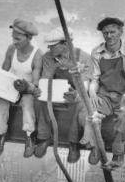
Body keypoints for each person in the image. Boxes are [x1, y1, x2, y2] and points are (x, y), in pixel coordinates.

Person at [77, 17, 125, 166]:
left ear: (120, 32)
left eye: (112, 32)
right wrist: (93, 94)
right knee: (88, 110)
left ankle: (118, 153)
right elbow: (94, 78)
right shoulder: (97, 52)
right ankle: (95, 146)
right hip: (105, 95)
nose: (109, 36)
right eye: (105, 33)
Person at [34, 28, 92, 161]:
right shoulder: (48, 57)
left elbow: (85, 85)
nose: (49, 47)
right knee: (40, 100)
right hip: (55, 91)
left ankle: (73, 143)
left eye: (53, 45)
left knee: (79, 104)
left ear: (65, 44)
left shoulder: (83, 57)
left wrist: (76, 93)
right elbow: (45, 79)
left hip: (75, 92)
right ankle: (44, 137)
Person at [0, 18, 43, 157]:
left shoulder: (37, 54)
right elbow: (4, 70)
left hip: (26, 89)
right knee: (0, 101)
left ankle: (29, 136)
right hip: (11, 86)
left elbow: (36, 80)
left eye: (18, 39)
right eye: (13, 38)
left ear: (29, 38)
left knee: (27, 104)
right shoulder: (11, 49)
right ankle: (0, 134)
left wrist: (27, 86)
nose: (14, 42)